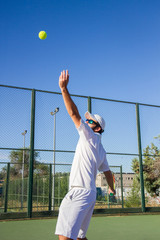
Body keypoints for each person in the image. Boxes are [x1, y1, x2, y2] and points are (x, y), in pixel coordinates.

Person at [55, 70, 115, 240]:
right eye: (87, 120)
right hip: (90, 195)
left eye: (90, 121)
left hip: (80, 191)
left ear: (97, 128)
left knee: (65, 237)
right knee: (80, 237)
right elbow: (108, 173)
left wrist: (64, 89)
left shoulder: (90, 136)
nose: (86, 122)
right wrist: (112, 188)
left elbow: (73, 114)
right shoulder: (101, 149)